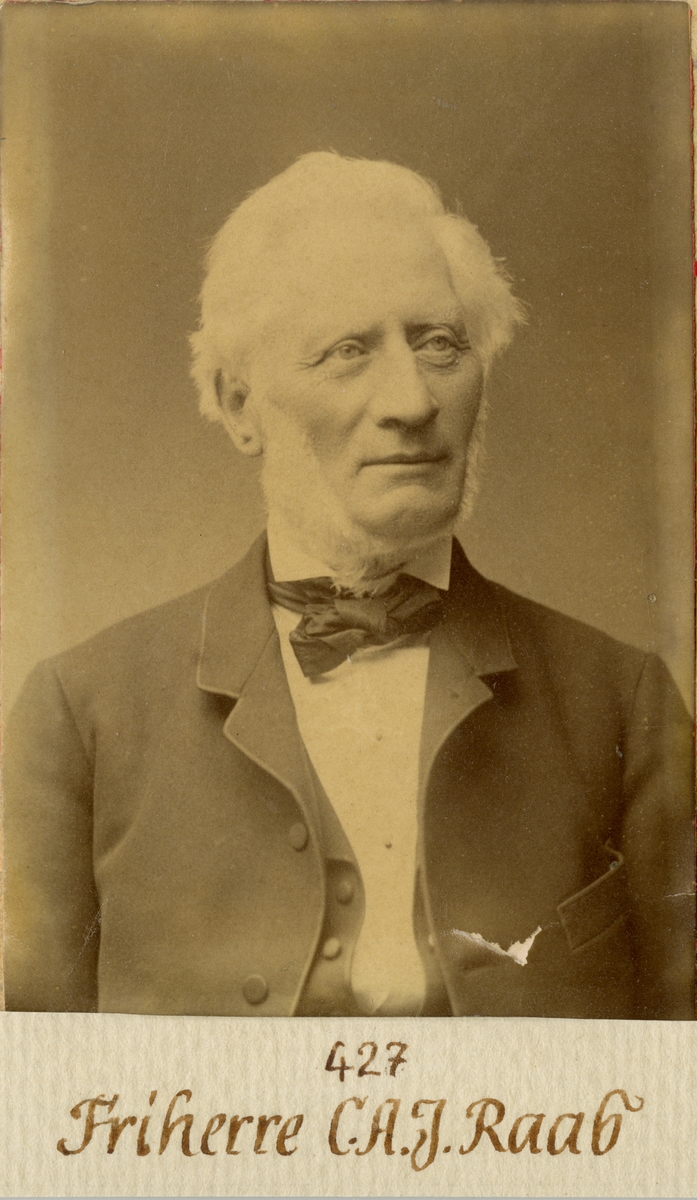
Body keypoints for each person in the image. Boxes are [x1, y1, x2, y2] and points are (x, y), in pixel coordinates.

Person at [4, 153, 694, 1019]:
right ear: (240, 404)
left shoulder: (621, 706)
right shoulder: (82, 718)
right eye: (347, 352)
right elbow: (29, 1078)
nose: (412, 400)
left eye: (440, 344)